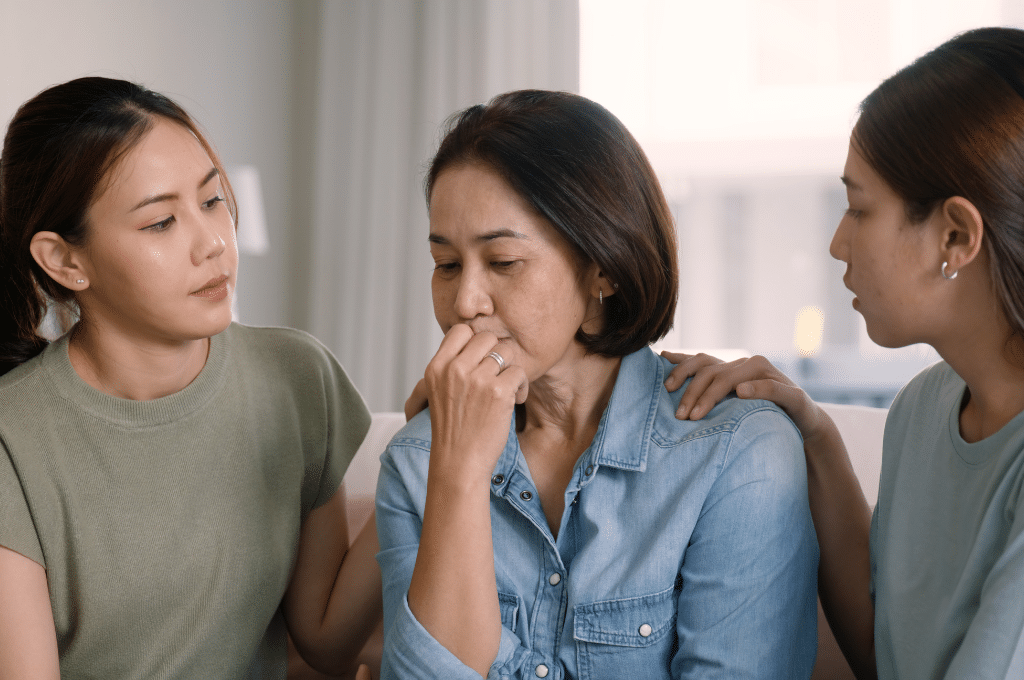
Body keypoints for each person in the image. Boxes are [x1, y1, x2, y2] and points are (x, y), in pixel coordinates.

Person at [375, 89, 819, 679]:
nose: (465, 302)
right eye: (447, 264)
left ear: (601, 269)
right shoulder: (418, 460)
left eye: (503, 262)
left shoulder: (738, 455)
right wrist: (457, 474)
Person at [663, 26, 1024, 680]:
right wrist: (814, 434)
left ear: (955, 235)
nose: (836, 243)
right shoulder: (924, 407)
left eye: (859, 209)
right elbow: (883, 651)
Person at [0, 77, 380, 679]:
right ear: (65, 260)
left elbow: (326, 642)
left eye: (211, 201)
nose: (213, 244)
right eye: (160, 223)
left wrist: (429, 457)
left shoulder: (297, 378)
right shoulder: (12, 438)